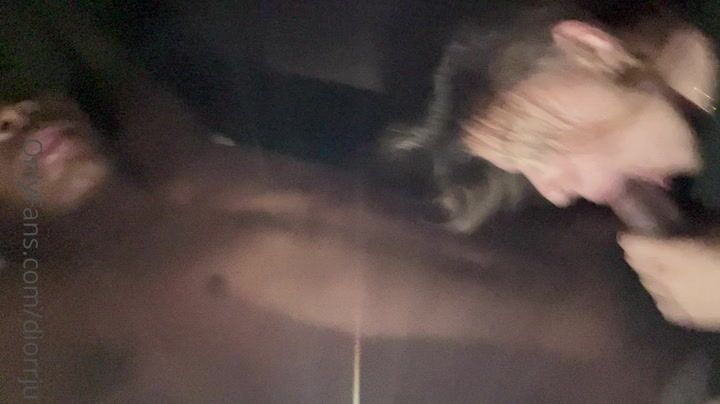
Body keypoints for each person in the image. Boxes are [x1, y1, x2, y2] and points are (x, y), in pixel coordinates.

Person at [448, 6, 720, 331]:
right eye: (524, 171)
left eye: (538, 146)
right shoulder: (695, 208)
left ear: (589, 48)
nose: (556, 195)